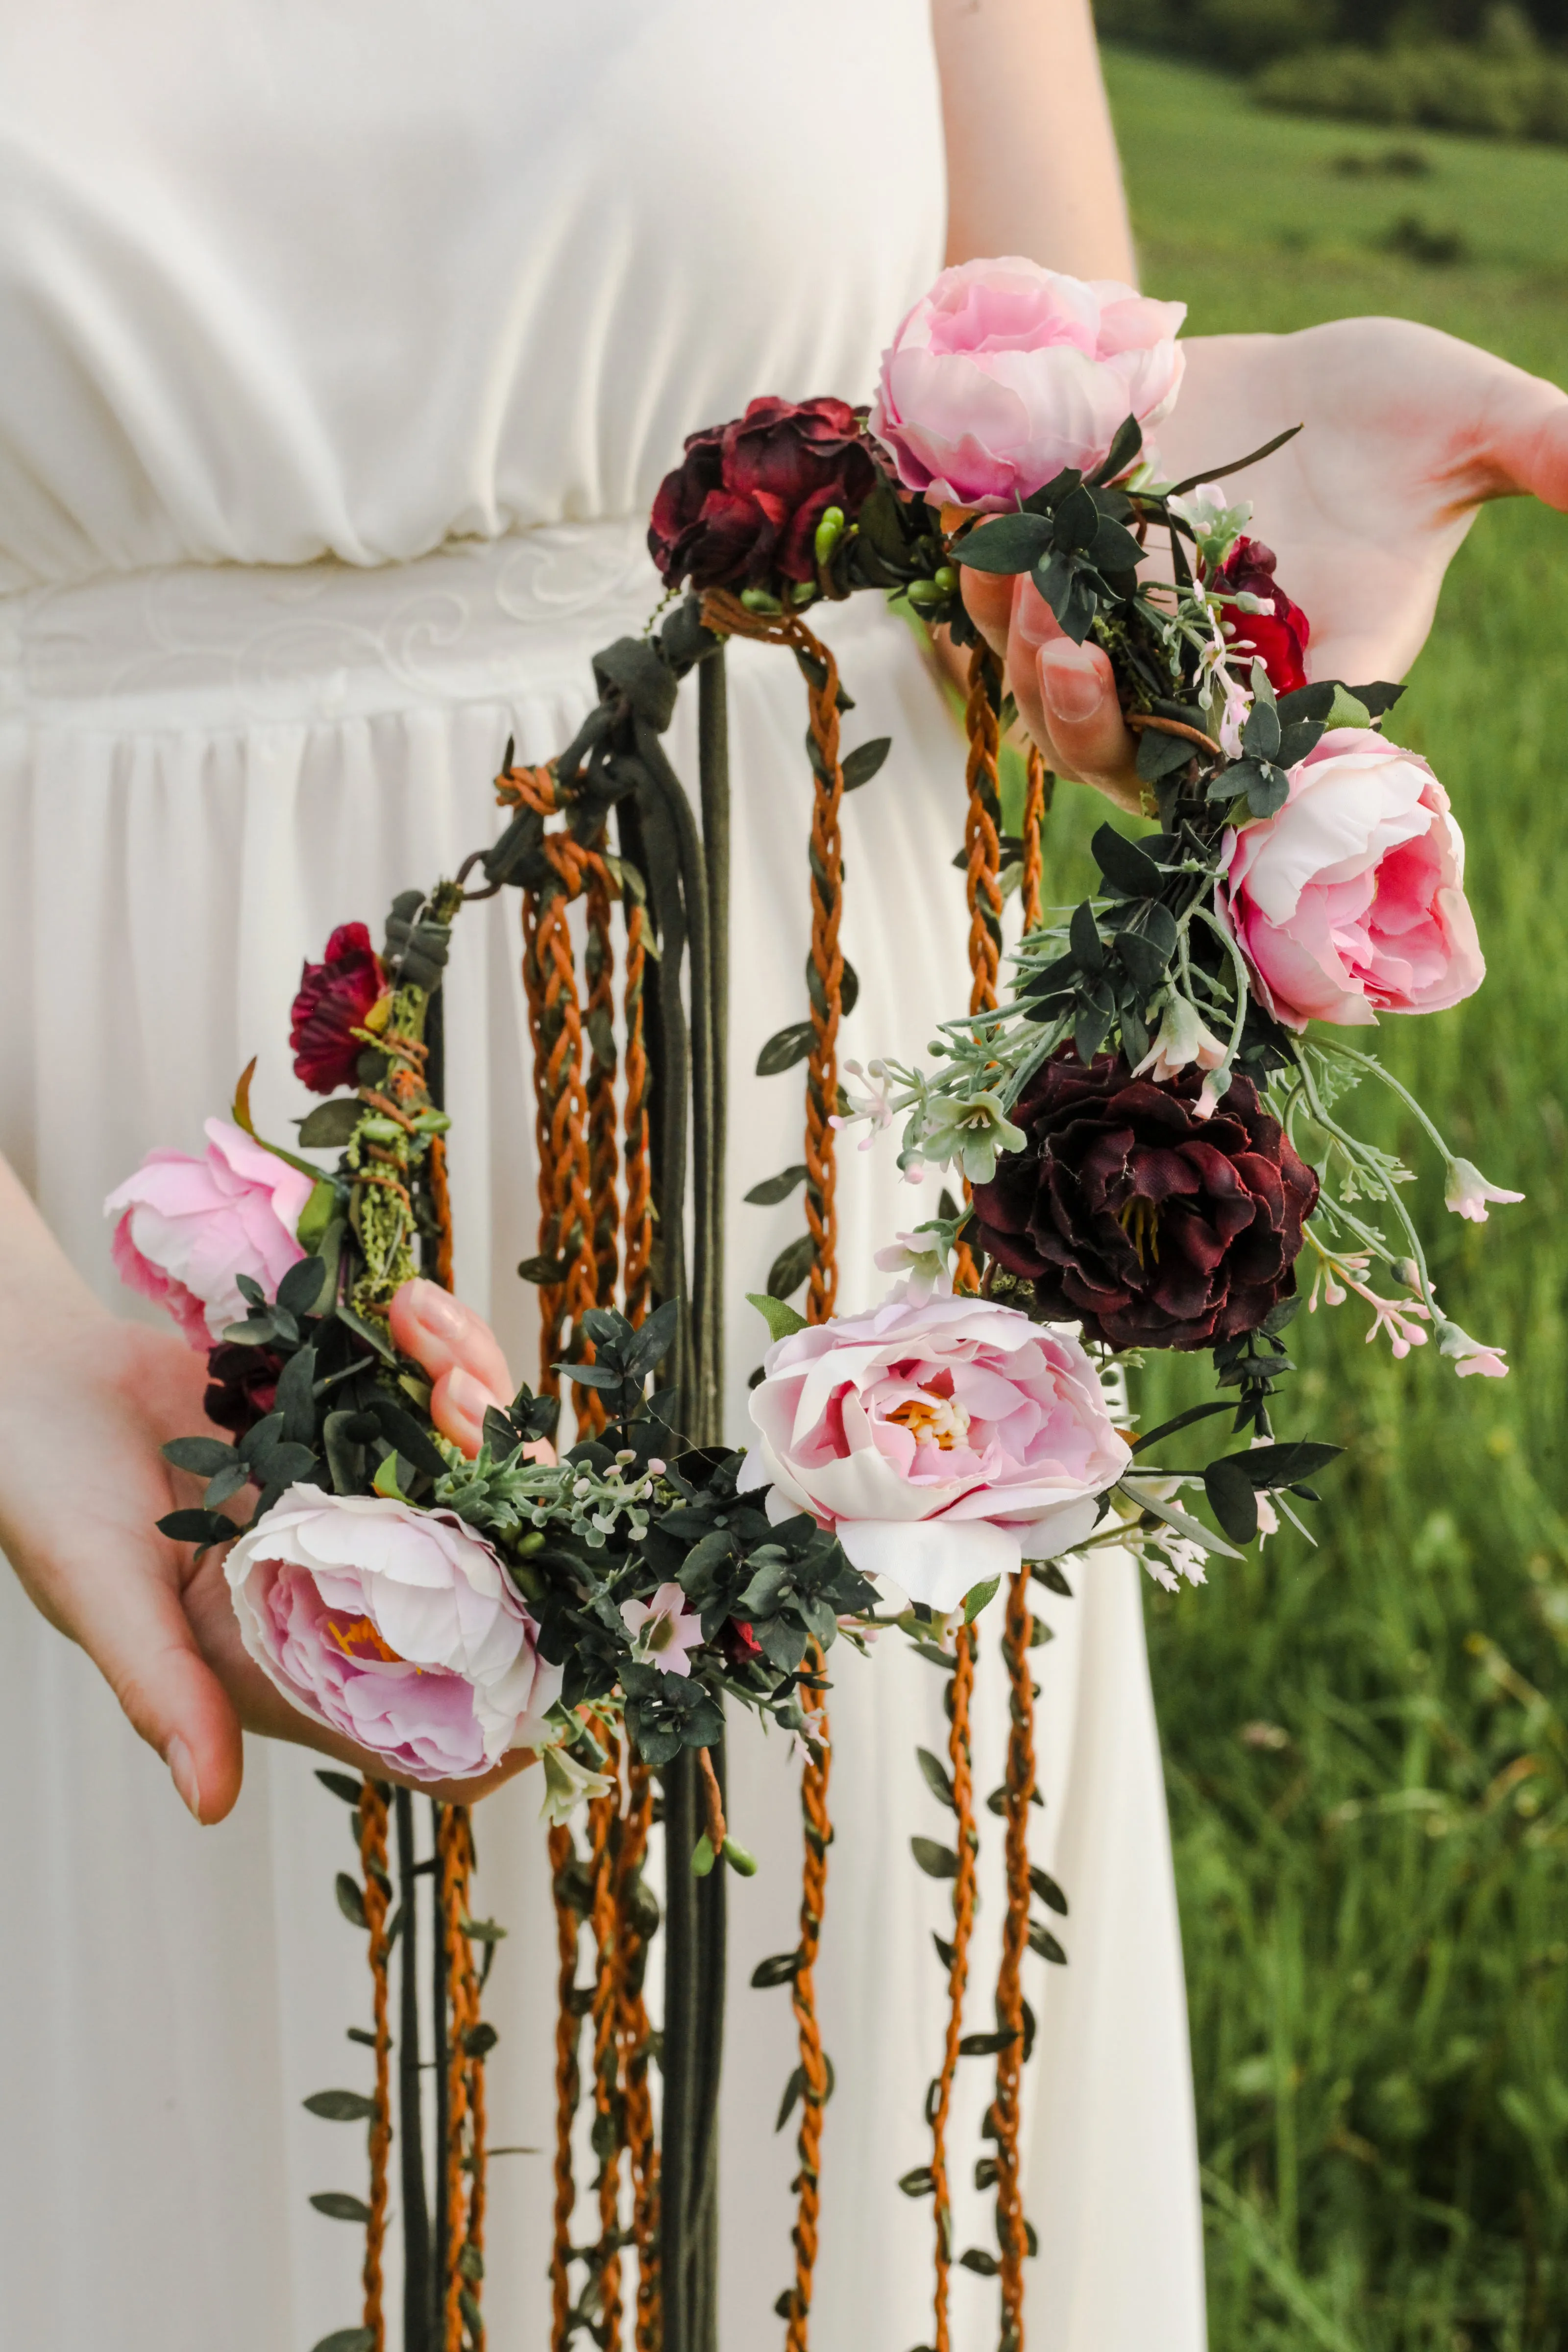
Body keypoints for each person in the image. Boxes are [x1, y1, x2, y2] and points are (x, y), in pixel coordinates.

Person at [0, 3, 1564, 2347]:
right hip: (110, 1194)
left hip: (822, 1192)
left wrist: (1187, 533)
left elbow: (1042, 488)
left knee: (831, 2119)